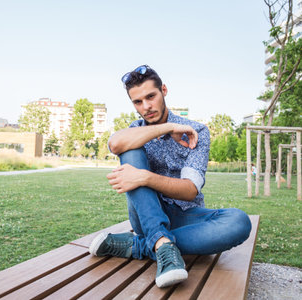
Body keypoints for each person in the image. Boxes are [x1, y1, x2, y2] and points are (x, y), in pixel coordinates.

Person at [89, 65, 252, 288]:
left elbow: (189, 190)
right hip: (147, 215)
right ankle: (159, 239)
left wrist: (145, 177)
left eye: (151, 96)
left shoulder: (196, 131)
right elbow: (116, 144)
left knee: (239, 222)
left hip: (187, 215)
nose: (146, 107)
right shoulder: (135, 130)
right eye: (138, 102)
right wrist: (167, 127)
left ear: (163, 90)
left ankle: (147, 245)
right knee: (130, 148)